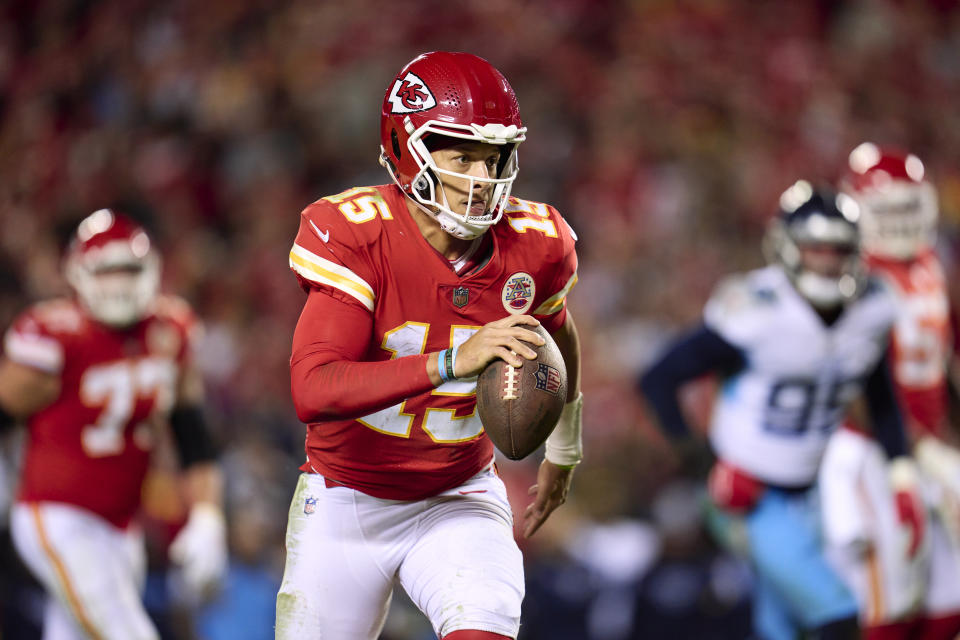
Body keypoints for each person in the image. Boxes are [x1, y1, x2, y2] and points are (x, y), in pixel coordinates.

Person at [275, 51, 583, 640]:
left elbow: (558, 331)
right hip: (347, 498)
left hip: (458, 496)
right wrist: (452, 361)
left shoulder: (537, 243)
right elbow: (312, 389)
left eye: (493, 159)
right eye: (461, 156)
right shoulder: (356, 233)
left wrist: (565, 448)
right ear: (407, 151)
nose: (481, 178)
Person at [638, 181, 913, 640]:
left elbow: (880, 394)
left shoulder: (872, 310)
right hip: (748, 494)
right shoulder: (757, 309)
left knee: (780, 627)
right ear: (788, 248)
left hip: (814, 487)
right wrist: (706, 464)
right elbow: (658, 379)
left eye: (837, 249)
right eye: (815, 248)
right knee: (838, 616)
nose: (827, 260)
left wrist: (900, 466)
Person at [0, 209, 227, 640]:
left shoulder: (169, 331)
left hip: (123, 527)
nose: (119, 284)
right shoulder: (54, 335)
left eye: (128, 270)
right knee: (127, 633)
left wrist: (208, 516)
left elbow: (194, 437)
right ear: (78, 274)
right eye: (107, 272)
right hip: (57, 513)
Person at [818, 142, 960, 640]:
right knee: (891, 599)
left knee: (949, 594)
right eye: (888, 208)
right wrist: (914, 448)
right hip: (870, 450)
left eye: (907, 206)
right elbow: (852, 381)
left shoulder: (929, 263)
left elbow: (947, 354)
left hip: (928, 447)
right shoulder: (850, 276)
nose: (899, 220)